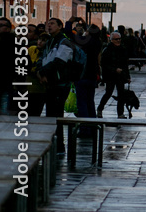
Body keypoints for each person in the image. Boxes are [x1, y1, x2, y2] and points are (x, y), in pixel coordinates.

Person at [38, 18, 75, 151]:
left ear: (60, 26)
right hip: (50, 82)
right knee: (50, 115)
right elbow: (43, 58)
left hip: (60, 83)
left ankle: (59, 146)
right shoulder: (50, 41)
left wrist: (43, 72)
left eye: (52, 24)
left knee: (56, 116)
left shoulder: (64, 42)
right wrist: (41, 72)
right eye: (48, 24)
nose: (49, 26)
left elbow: (60, 61)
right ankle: (53, 144)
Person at [72, 22, 102, 123]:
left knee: (82, 103)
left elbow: (70, 35)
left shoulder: (85, 42)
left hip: (82, 74)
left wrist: (70, 24)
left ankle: (84, 127)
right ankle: (93, 125)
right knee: (90, 101)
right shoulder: (98, 43)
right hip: (93, 75)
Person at [0, 17, 13, 115]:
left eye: (1, 26)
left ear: (8, 28)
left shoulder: (14, 43)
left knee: (6, 115)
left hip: (8, 83)